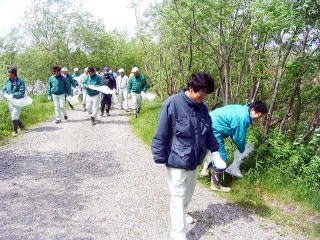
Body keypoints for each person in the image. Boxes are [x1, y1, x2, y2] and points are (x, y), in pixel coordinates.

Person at [151, 72, 220, 240]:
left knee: (188, 194)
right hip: (176, 159)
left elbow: (208, 132)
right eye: (200, 92)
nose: (203, 97)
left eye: (206, 93)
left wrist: (215, 151)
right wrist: (159, 156)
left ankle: (184, 212)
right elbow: (161, 132)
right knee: (178, 196)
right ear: (191, 88)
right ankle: (178, 233)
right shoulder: (172, 103)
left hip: (194, 160)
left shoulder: (202, 107)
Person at [201, 101, 268, 192]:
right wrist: (242, 150)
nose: (258, 118)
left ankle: (205, 171)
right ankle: (215, 185)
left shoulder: (243, 109)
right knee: (221, 158)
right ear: (252, 110)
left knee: (214, 151)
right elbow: (239, 139)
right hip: (213, 127)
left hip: (206, 122)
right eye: (259, 116)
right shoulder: (243, 117)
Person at [2, 67, 26, 136]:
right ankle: (22, 127)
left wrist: (13, 95)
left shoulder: (20, 82)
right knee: (14, 115)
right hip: (10, 101)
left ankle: (15, 131)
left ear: (14, 73)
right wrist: (5, 93)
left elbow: (21, 92)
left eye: (9, 73)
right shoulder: (7, 81)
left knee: (14, 116)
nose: (8, 74)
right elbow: (4, 89)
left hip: (18, 101)